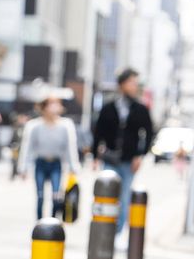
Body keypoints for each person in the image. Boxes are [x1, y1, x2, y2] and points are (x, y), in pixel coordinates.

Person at [92, 67, 154, 243]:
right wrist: (96, 155)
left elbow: (149, 133)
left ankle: (118, 233)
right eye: (132, 82)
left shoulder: (141, 109)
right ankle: (105, 231)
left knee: (125, 197)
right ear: (122, 84)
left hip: (129, 160)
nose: (135, 86)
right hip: (110, 158)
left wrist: (140, 155)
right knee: (107, 195)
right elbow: (99, 133)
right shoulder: (109, 107)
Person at [18, 94, 80, 220]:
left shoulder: (66, 125)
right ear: (44, 107)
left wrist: (74, 166)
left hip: (56, 164)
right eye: (51, 104)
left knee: (56, 196)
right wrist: (23, 168)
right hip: (40, 163)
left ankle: (53, 222)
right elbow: (27, 148)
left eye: (57, 104)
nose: (55, 107)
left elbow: (70, 148)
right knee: (40, 197)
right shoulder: (34, 126)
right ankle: (40, 223)